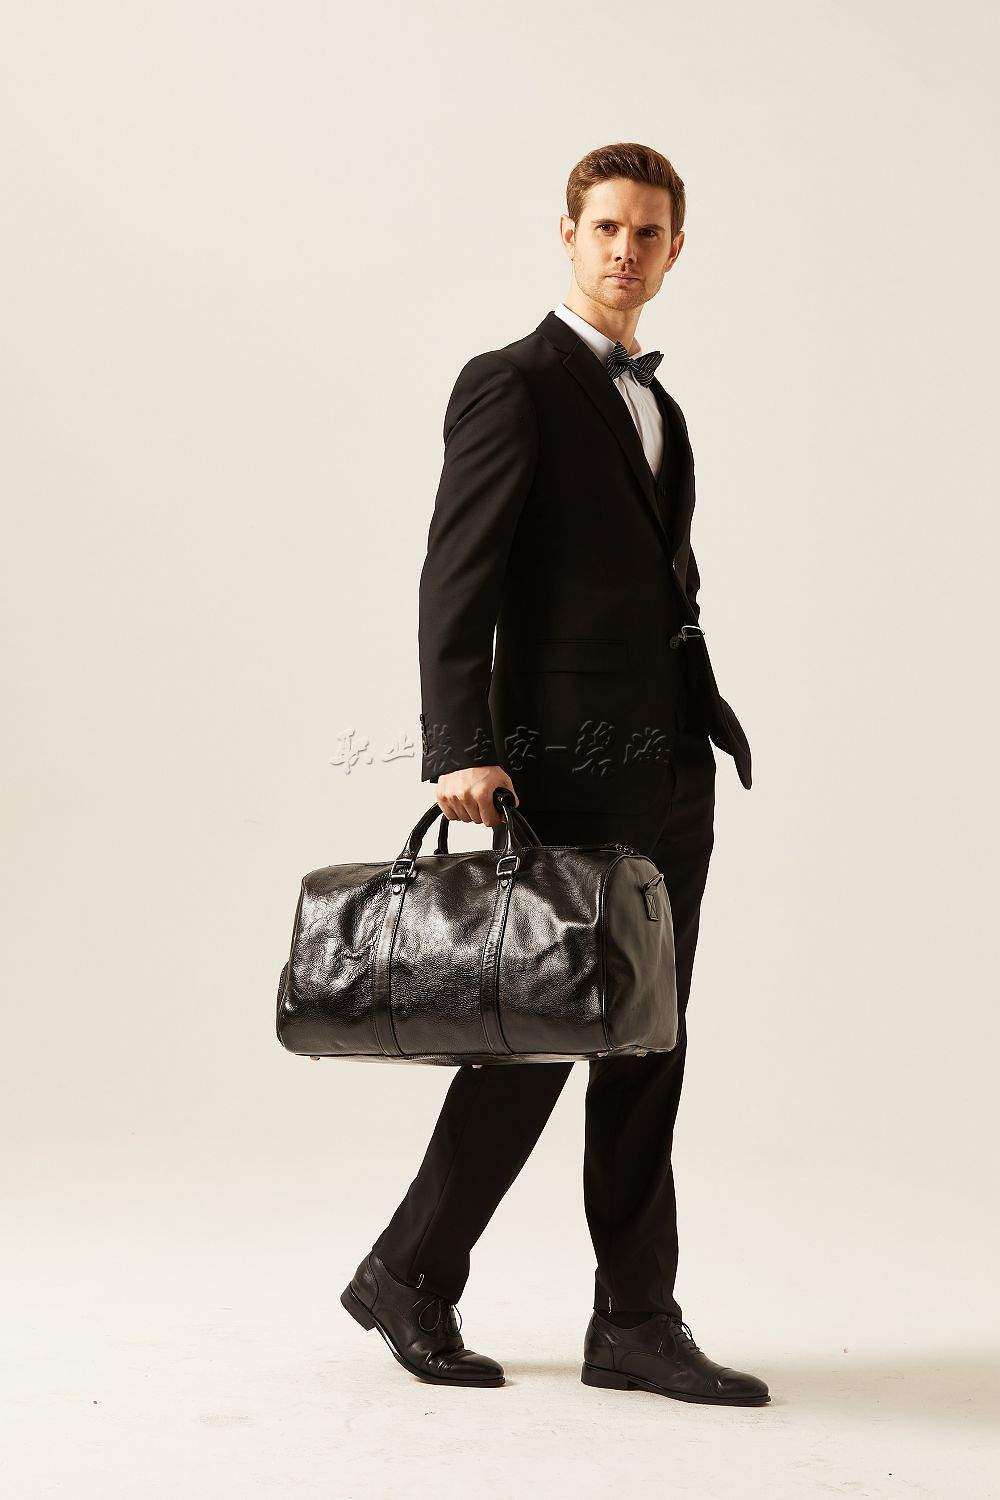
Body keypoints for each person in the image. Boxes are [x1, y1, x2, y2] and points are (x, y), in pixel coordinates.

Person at [341, 141, 769, 1405]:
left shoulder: (658, 406)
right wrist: (457, 747)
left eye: (648, 232)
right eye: (605, 228)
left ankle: (633, 1319)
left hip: (667, 761)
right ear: (568, 236)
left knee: (649, 1037)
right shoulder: (513, 383)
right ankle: (410, 1269)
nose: (625, 250)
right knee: (534, 1034)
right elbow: (455, 573)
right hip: (561, 769)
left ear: (675, 249)